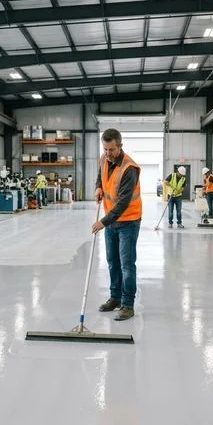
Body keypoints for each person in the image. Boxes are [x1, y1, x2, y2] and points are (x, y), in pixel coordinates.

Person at [93, 128, 142, 321]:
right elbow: (101, 175)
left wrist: (103, 222)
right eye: (105, 149)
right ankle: (115, 297)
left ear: (120, 146)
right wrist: (98, 186)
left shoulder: (129, 168)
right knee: (112, 261)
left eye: (111, 150)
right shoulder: (104, 159)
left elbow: (122, 203)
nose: (107, 153)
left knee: (127, 265)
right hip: (112, 221)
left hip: (128, 221)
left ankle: (127, 305)